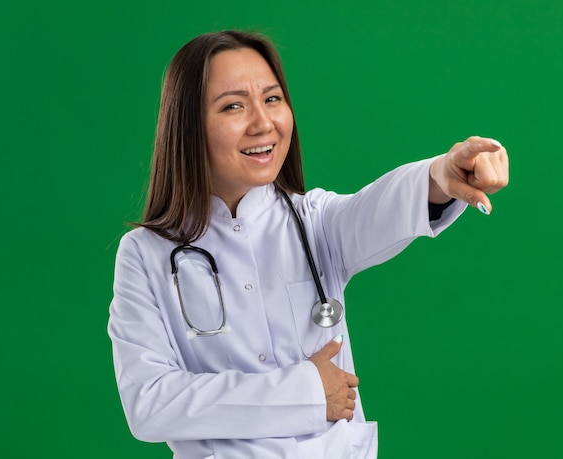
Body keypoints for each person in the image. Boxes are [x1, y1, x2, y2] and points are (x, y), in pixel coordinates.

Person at [108, 30, 509, 458]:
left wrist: (439, 175)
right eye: (233, 106)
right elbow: (149, 403)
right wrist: (307, 391)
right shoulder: (145, 254)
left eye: (273, 99)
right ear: (187, 127)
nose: (263, 123)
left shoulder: (315, 222)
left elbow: (381, 209)